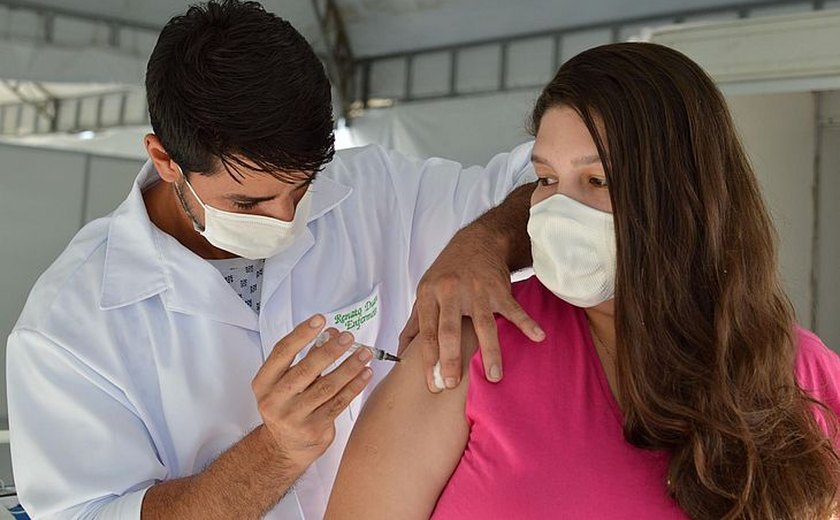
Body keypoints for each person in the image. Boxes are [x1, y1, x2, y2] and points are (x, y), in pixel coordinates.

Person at [5, 1, 544, 518]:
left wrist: (487, 241)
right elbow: (91, 515)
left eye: (302, 188)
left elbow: (542, 183)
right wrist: (277, 451)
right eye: (248, 203)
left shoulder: (376, 192)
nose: (286, 220)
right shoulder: (68, 328)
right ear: (165, 159)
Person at [326, 42, 840, 520]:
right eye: (547, 179)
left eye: (597, 181)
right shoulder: (469, 349)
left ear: (685, 197)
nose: (560, 209)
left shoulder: (804, 373)